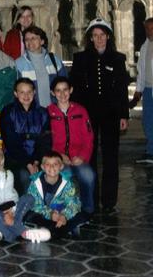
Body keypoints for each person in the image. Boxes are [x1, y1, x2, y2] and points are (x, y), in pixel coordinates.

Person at [69, 18, 129, 213]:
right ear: (90, 38)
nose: (99, 39)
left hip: (111, 114)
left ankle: (109, 201)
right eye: (95, 35)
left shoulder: (118, 59)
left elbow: (121, 89)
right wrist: (76, 114)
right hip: (88, 114)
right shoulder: (81, 58)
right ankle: (91, 198)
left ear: (108, 36)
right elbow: (76, 89)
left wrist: (123, 115)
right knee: (90, 155)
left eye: (102, 35)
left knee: (111, 157)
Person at [0, 144, 51, 243]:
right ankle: (24, 232)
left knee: (29, 198)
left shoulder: (7, 174)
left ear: (1, 159)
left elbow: (10, 196)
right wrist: (4, 213)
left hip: (8, 209)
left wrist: (10, 212)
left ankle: (6, 229)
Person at [48, 77, 96, 215]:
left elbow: (88, 138)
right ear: (53, 93)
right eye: (58, 90)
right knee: (65, 176)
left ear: (71, 90)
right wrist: (59, 156)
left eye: (65, 90)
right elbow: (46, 140)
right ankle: (64, 212)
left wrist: (82, 156)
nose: (62, 94)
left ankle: (87, 210)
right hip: (58, 158)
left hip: (78, 156)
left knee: (88, 175)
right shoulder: (48, 112)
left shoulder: (81, 111)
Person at [1, 78, 51, 194]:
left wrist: (36, 161)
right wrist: (28, 164)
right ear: (15, 93)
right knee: (24, 175)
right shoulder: (8, 112)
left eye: (29, 92)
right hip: (16, 158)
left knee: (48, 173)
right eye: (22, 92)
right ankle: (26, 203)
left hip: (38, 158)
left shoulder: (43, 113)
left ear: (34, 92)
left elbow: (45, 141)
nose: (26, 95)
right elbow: (11, 142)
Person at [25, 151, 87, 238]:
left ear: (61, 166)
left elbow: (73, 203)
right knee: (29, 215)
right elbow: (35, 205)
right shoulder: (35, 182)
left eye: (55, 164)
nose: (52, 167)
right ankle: (61, 230)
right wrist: (50, 214)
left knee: (82, 214)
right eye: (48, 164)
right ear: (42, 167)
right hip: (44, 215)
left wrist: (64, 216)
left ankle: (54, 230)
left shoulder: (67, 182)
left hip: (61, 213)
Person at [15, 26, 67, 108]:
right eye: (27, 39)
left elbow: (65, 84)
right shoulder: (19, 63)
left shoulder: (54, 60)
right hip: (32, 110)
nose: (30, 41)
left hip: (54, 109)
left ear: (42, 41)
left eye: (33, 38)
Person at [131, 17, 153, 163]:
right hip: (148, 89)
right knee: (147, 121)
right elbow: (141, 71)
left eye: (152, 28)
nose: (149, 31)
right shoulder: (145, 46)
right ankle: (151, 152)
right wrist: (138, 92)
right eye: (147, 29)